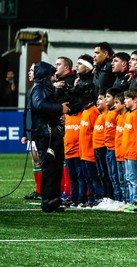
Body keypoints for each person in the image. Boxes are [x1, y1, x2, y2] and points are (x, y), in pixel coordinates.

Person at [26, 61, 70, 212]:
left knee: (56, 166)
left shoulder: (44, 88)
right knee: (49, 167)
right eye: (51, 75)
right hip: (45, 134)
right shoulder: (38, 88)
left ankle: (54, 199)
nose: (53, 77)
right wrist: (60, 108)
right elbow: (40, 105)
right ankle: (47, 200)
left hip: (52, 133)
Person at [22, 63, 42, 201]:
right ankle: (38, 190)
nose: (29, 73)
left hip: (40, 132)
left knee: (42, 161)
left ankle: (47, 190)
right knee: (35, 162)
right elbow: (26, 113)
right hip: (31, 133)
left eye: (32, 70)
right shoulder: (30, 91)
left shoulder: (42, 90)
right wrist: (25, 133)